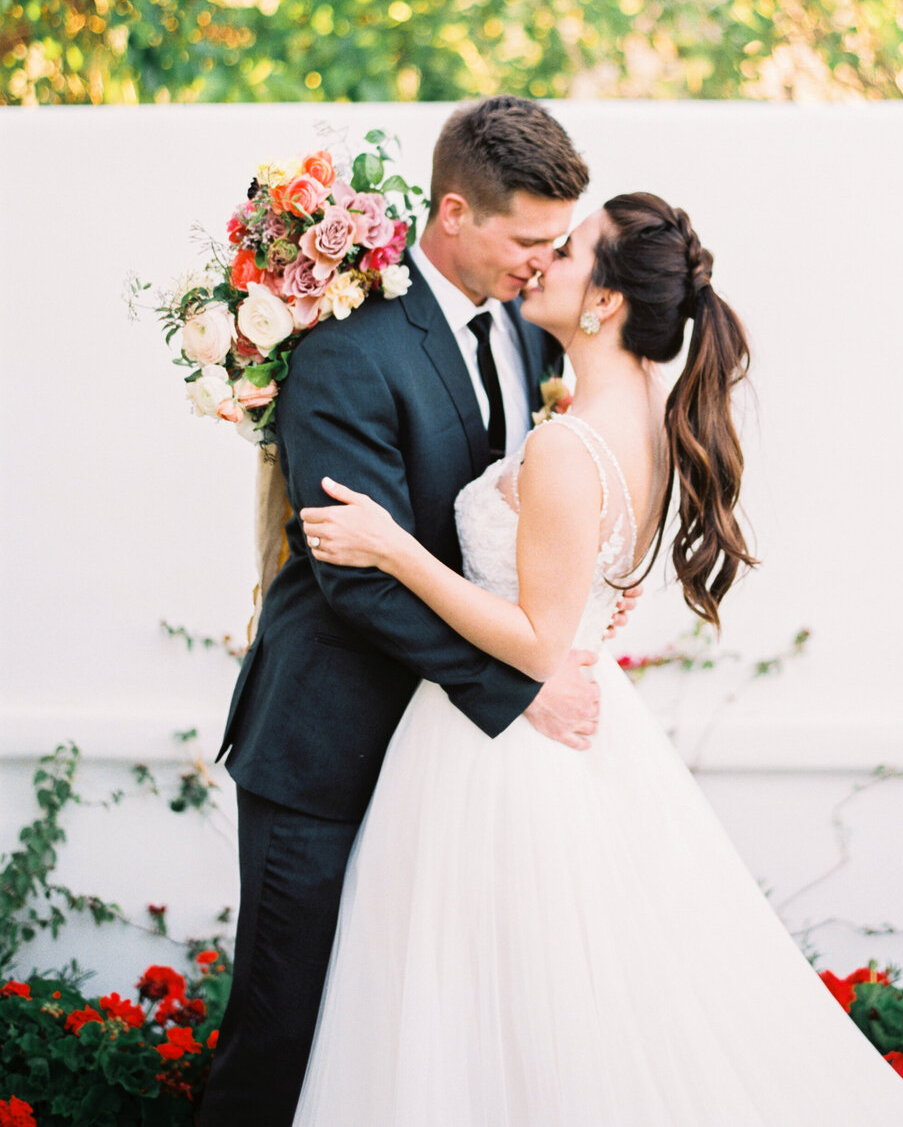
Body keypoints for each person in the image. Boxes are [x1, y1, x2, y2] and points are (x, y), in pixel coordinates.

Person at [293, 191, 903, 1125]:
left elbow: (534, 642)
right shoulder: (641, 418)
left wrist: (395, 547)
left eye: (567, 252)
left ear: (602, 303)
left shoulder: (568, 445)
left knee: (484, 1014)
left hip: (501, 757)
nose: (542, 262)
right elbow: (584, 596)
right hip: (578, 737)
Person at [199, 97, 621, 1127]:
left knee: (409, 1045)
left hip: (455, 780)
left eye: (559, 241)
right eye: (529, 239)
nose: (545, 260)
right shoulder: (349, 346)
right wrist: (521, 680)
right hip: (330, 747)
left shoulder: (527, 340)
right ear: (454, 213)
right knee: (284, 1029)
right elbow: (358, 574)